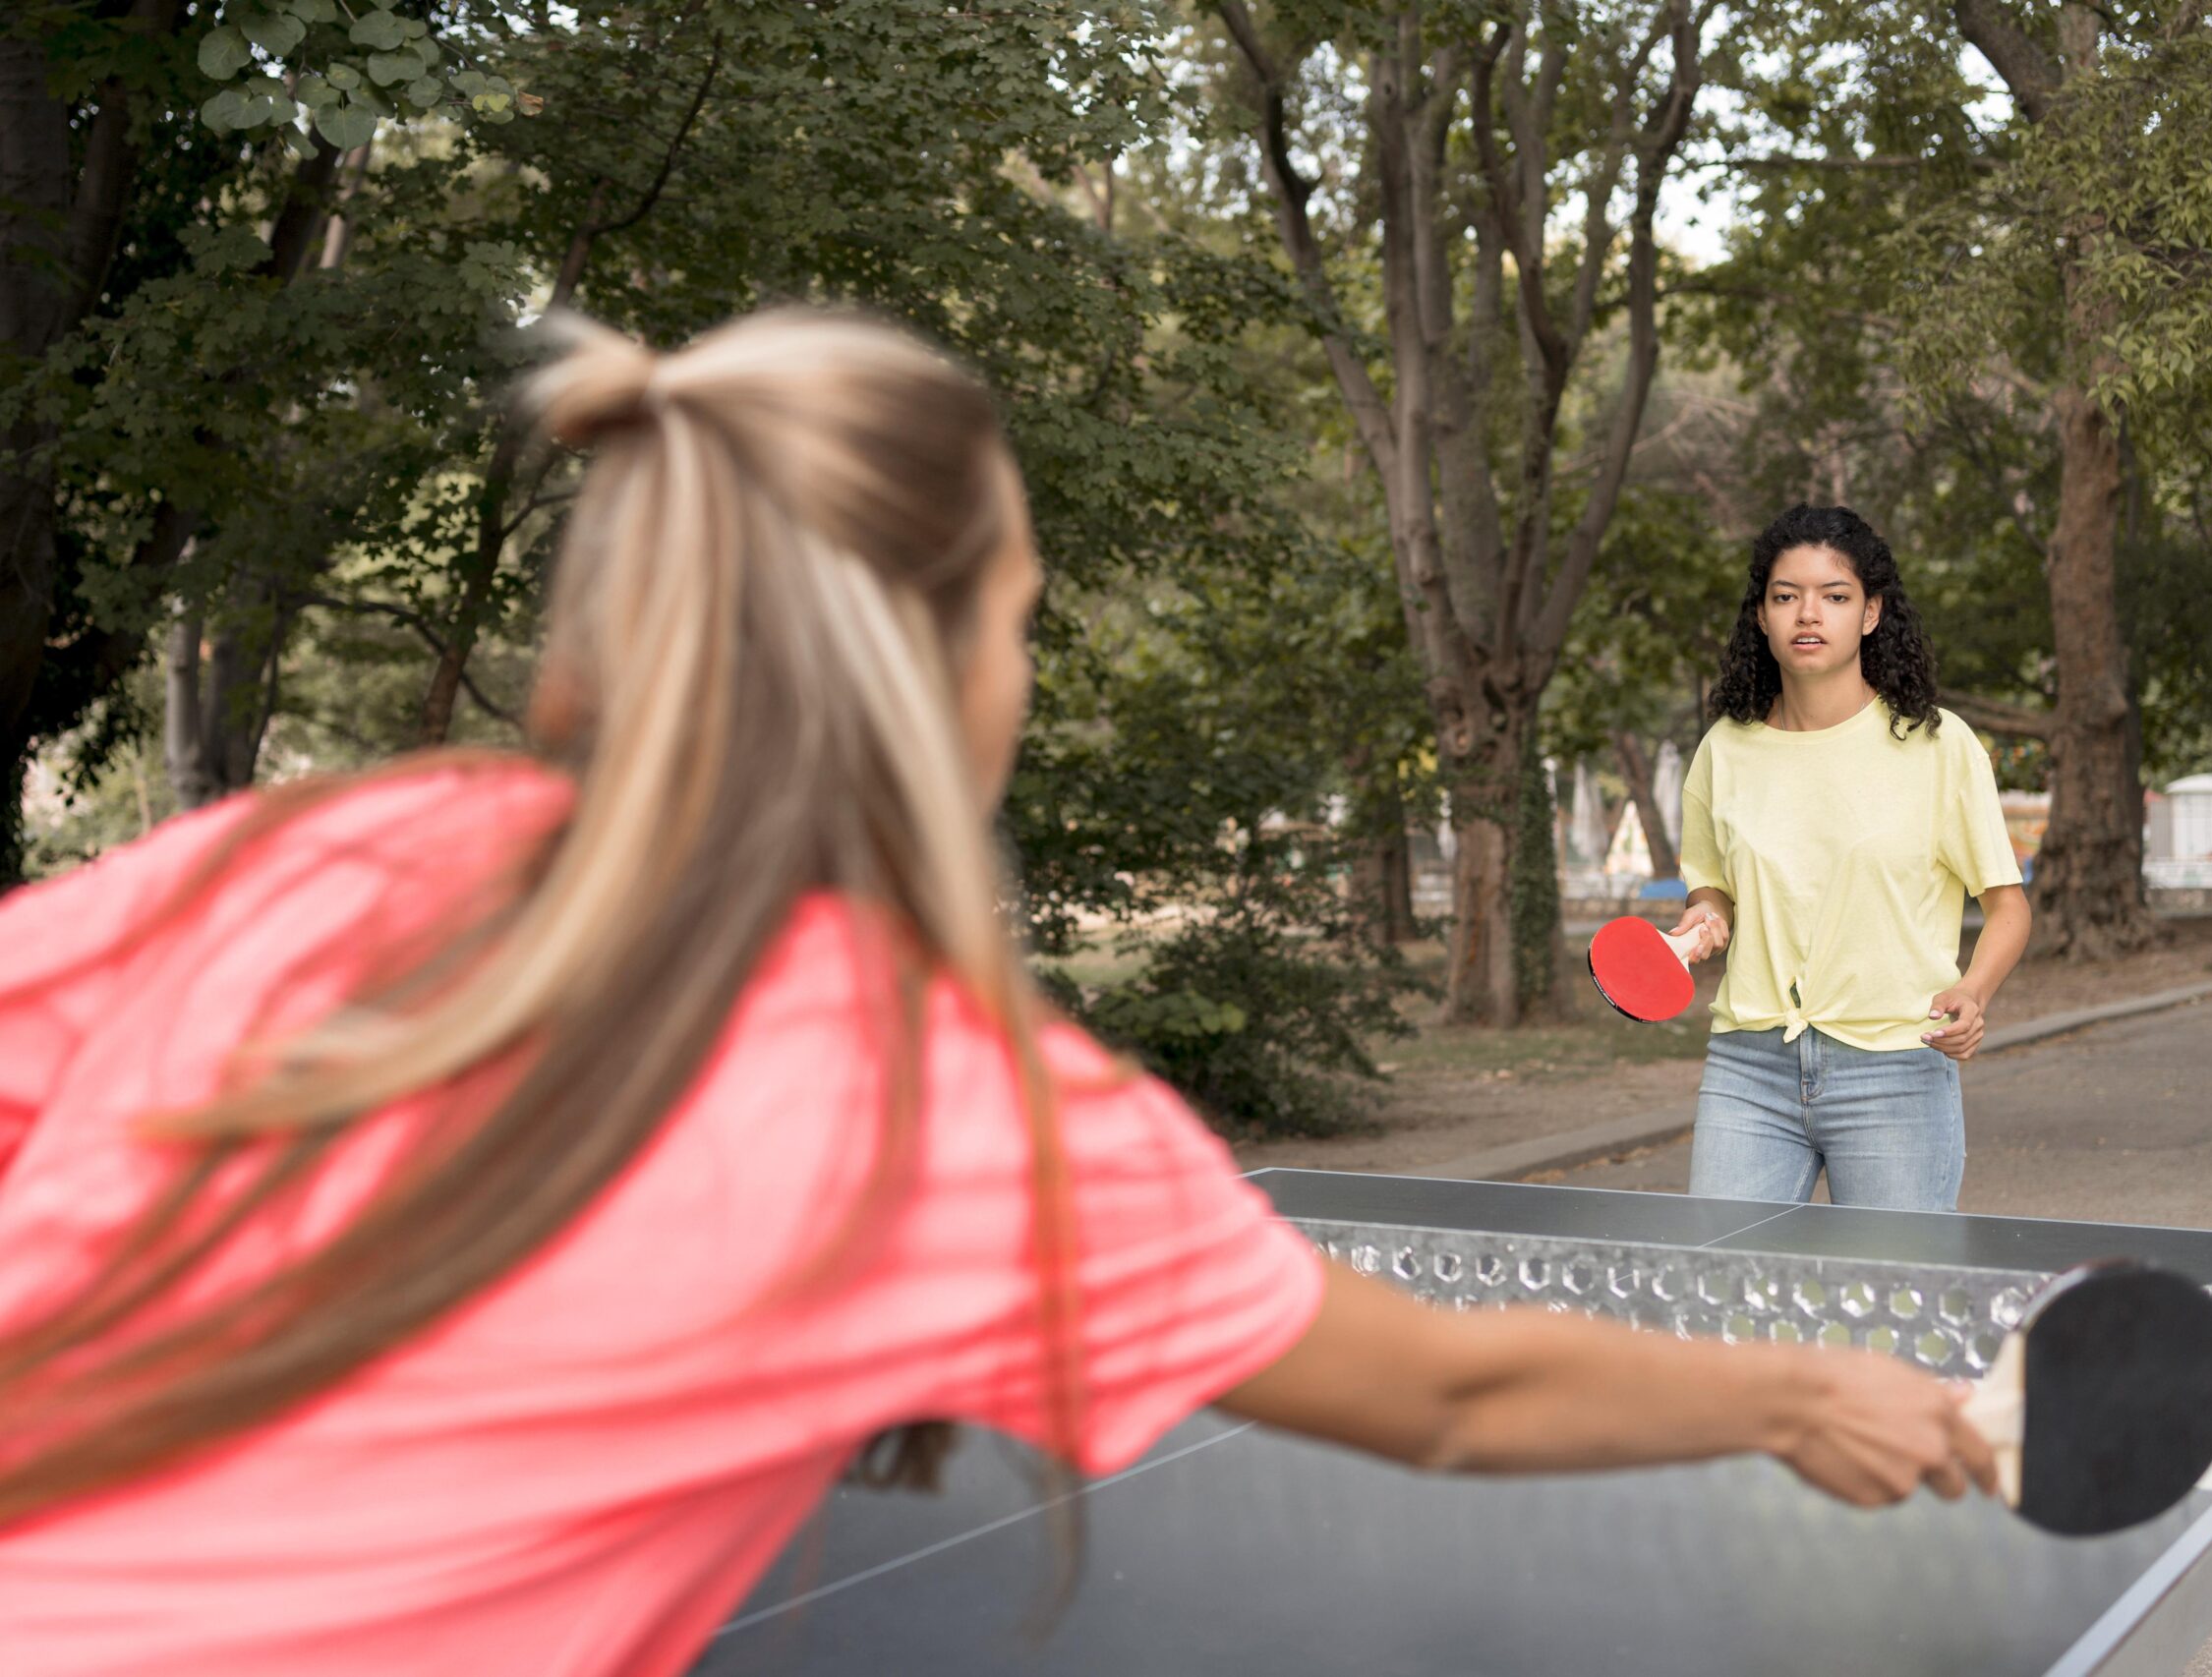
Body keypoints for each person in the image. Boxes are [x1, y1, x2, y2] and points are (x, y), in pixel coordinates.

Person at [0, 314, 1992, 1676]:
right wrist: (1803, 1387)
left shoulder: (343, 845)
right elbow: (1450, 1391)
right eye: (1020, 617)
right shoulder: (935, 1105)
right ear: (934, 662)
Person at [1673, 504, 2032, 1213]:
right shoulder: (1725, 749)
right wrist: (1704, 918)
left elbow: (2007, 908)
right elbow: (1712, 888)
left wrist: (1973, 992)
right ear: (1761, 616)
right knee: (1718, 1277)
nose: (1808, 613)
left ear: (1871, 613)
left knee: (1888, 1286)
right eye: (1786, 596)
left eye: (1834, 596)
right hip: (1749, 1068)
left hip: (1895, 1069)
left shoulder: (1937, 745)